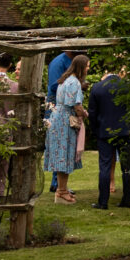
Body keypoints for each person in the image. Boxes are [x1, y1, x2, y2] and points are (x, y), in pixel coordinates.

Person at [44, 53, 89, 204]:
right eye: (87, 67)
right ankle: (61, 191)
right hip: (64, 121)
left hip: (57, 118)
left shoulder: (65, 80)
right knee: (64, 154)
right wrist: (83, 114)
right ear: (81, 67)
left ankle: (61, 189)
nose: (88, 70)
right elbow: (75, 105)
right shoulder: (74, 83)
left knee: (62, 154)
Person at [89, 68, 130, 209]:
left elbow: (92, 113)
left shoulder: (97, 88)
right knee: (127, 167)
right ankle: (127, 199)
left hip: (104, 132)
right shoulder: (128, 86)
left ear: (105, 75)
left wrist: (95, 130)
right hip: (125, 132)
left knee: (105, 166)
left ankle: (103, 202)